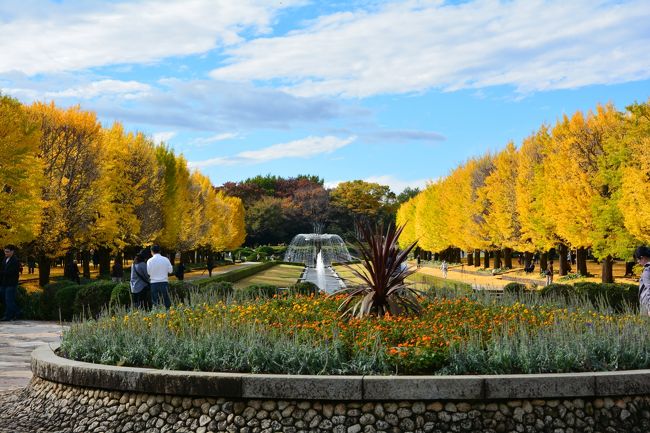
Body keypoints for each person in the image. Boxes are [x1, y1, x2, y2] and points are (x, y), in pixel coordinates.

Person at [146, 245, 173, 309]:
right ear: (160, 251)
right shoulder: (166, 259)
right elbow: (170, 271)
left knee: (155, 302)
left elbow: (148, 272)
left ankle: (157, 315)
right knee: (166, 302)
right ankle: (169, 314)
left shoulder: (149, 261)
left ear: (151, 252)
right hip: (164, 282)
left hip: (154, 283)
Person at [0, 245, 21, 321]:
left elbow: (11, 272)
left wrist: (1, 273)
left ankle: (9, 315)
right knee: (5, 299)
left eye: (7, 252)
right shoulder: (5, 259)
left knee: (9, 300)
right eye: (5, 251)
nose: (6, 253)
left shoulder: (16, 261)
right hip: (3, 283)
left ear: (12, 251)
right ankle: (15, 313)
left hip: (11, 284)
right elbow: (3, 269)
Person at [635, 246, 650, 316]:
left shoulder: (647, 271)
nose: (638, 262)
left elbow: (649, 289)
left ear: (642, 257)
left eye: (638, 259)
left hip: (646, 305)